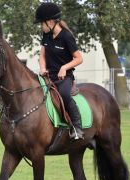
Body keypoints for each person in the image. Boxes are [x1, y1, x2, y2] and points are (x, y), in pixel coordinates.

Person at [35, 2, 84, 139]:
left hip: (64, 78)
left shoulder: (66, 37)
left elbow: (79, 58)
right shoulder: (46, 36)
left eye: (41, 23)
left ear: (50, 22)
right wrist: (42, 68)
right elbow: (42, 56)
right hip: (48, 77)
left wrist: (64, 67)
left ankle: (77, 127)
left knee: (64, 95)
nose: (41, 26)